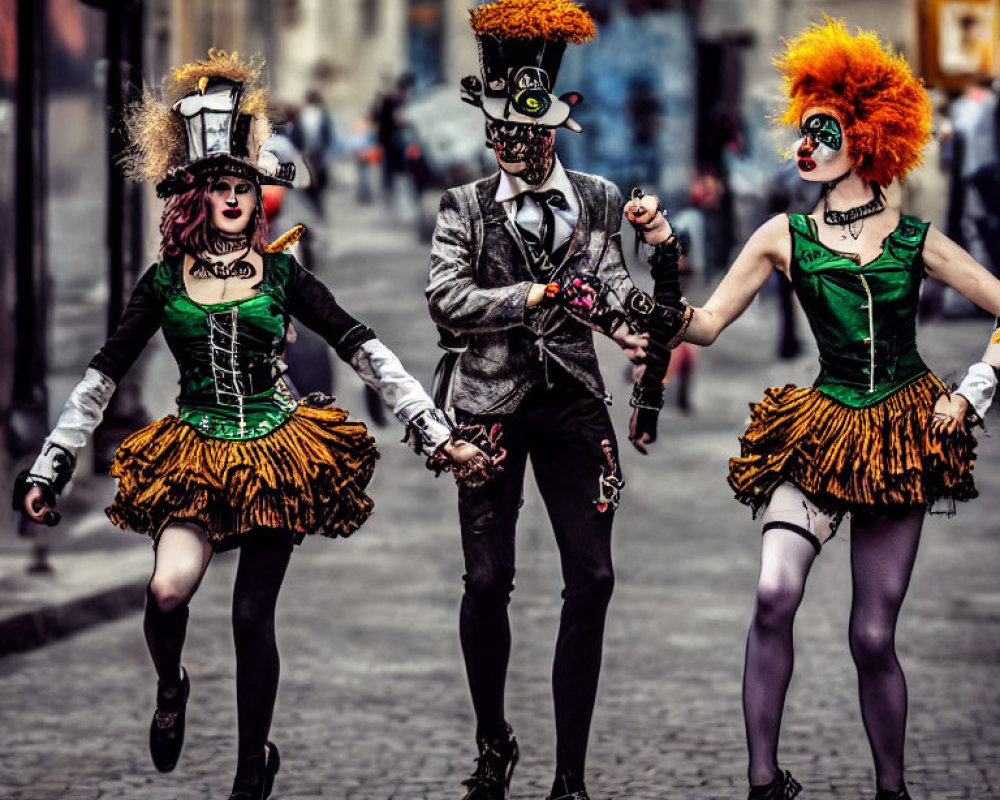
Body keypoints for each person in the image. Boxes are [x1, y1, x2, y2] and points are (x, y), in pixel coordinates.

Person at [12, 51, 492, 800]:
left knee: (249, 616)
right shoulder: (165, 282)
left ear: (258, 196)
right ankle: (171, 685)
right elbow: (102, 376)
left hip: (276, 453)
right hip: (195, 450)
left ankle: (248, 771)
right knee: (168, 590)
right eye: (220, 187)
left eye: (244, 185)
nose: (234, 197)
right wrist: (50, 464)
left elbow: (364, 348)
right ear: (196, 197)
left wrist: (434, 433)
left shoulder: (282, 274)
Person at [624, 19, 1000, 800]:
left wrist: (974, 390)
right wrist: (655, 266)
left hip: (902, 433)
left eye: (821, 132)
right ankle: (764, 782)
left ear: (864, 143)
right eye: (801, 132)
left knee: (871, 636)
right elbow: (705, 323)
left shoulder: (914, 239)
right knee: (772, 594)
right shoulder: (781, 235)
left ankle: (890, 790)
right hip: (821, 429)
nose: (803, 145)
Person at [426, 2, 683, 799]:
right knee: (484, 582)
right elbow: (445, 299)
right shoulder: (463, 208)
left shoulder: (601, 198)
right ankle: (494, 740)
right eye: (501, 131)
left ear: (556, 128)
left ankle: (570, 775)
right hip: (489, 402)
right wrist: (532, 295)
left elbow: (606, 287)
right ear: (488, 130)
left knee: (595, 579)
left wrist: (638, 318)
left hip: (572, 397)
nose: (515, 146)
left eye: (529, 132)